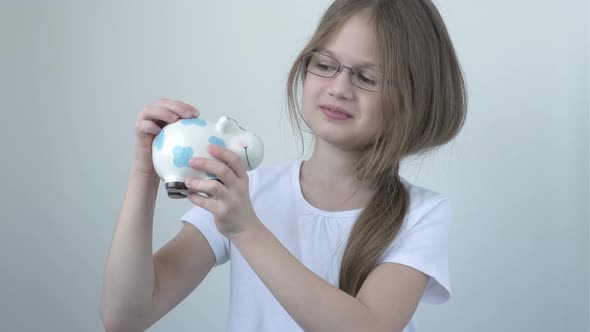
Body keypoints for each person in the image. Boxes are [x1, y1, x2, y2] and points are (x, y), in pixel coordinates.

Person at [99, 0, 467, 331]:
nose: (339, 87)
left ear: (415, 97)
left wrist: (246, 230)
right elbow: (125, 317)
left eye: (366, 77)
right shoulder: (247, 192)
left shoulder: (421, 214)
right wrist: (144, 176)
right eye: (325, 65)